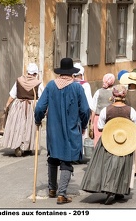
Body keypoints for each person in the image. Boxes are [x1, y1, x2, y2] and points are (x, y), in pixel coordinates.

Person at [34, 58, 90, 204]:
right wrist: (83, 125)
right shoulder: (78, 88)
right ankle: (61, 194)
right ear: (72, 73)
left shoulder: (51, 86)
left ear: (60, 73)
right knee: (66, 158)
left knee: (53, 156)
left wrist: (38, 120)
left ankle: (52, 188)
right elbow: (84, 110)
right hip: (71, 128)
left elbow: (40, 107)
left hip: (53, 129)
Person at [80, 84, 136, 205]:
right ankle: (118, 190)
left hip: (108, 141)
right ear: (124, 95)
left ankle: (109, 190)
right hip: (124, 141)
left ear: (113, 95)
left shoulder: (105, 110)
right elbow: (135, 126)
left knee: (107, 164)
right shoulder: (131, 110)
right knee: (122, 165)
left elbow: (100, 127)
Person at [1, 63, 44, 157]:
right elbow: (42, 98)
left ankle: (18, 146)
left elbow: (12, 95)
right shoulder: (38, 83)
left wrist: (7, 106)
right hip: (31, 107)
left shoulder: (19, 80)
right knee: (29, 127)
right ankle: (27, 146)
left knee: (18, 126)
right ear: (36, 73)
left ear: (27, 72)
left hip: (18, 106)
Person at [90, 73, 115, 146]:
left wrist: (91, 123)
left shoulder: (98, 92)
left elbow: (93, 108)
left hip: (98, 118)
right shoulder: (115, 92)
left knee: (98, 139)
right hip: (110, 118)